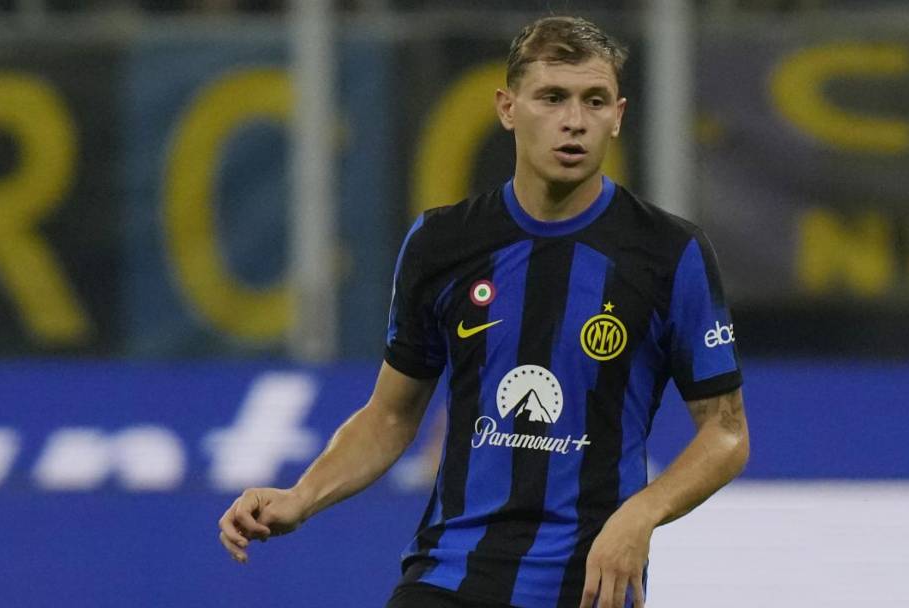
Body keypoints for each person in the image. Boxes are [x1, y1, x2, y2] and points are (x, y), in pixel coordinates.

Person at [217, 15, 750, 608]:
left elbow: (725, 432)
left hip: (586, 584)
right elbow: (391, 416)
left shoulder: (669, 254)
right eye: (552, 97)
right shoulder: (441, 243)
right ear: (507, 108)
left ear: (618, 116)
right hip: (449, 575)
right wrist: (301, 496)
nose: (574, 120)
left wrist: (641, 514)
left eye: (594, 100)